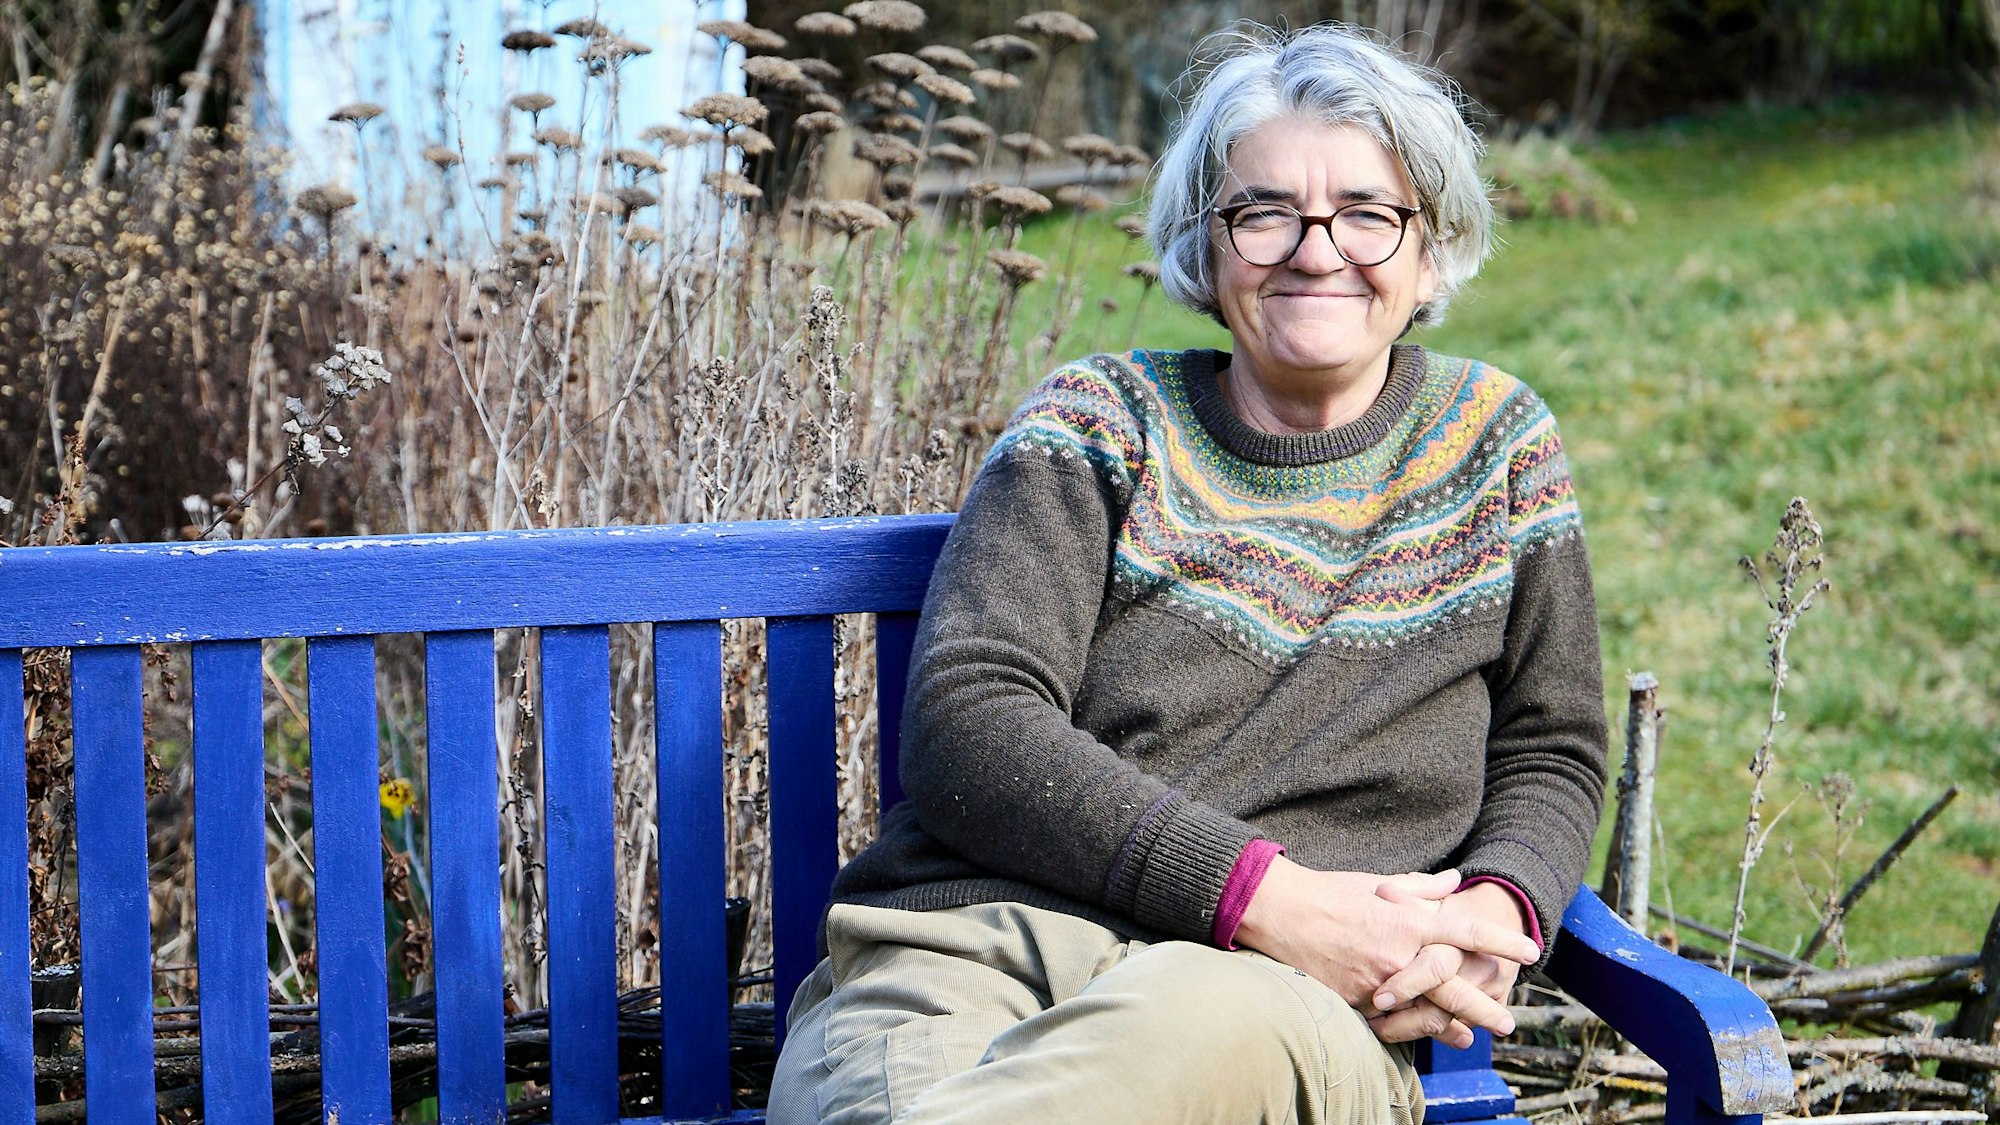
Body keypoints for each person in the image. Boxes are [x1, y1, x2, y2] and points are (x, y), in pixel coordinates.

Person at [769, 22, 1607, 1125]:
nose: (1315, 250)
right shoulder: (1096, 423)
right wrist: (1265, 895)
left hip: (1279, 1005)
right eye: (1262, 213)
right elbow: (970, 721)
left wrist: (1495, 914)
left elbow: (1550, 745)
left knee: (1190, 1019)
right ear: (1203, 249)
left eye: (1365, 212)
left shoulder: (1493, 444)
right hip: (965, 960)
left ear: (1430, 248)